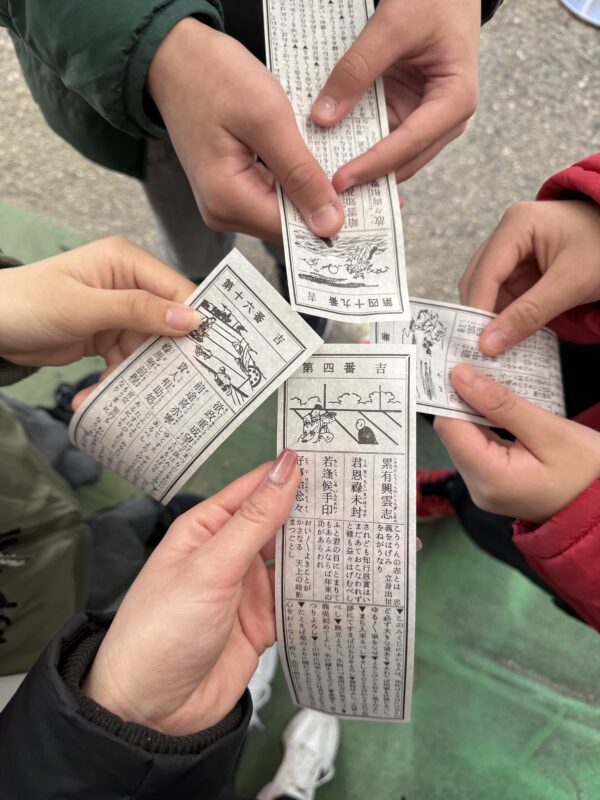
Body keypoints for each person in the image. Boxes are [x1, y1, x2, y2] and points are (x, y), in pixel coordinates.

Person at [0, 238, 341, 798]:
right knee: (74, 594)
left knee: (81, 512)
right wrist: (128, 720)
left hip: (27, 510)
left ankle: (99, 483)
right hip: (21, 644)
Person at [1, 0, 504, 278]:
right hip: (161, 98)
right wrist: (158, 46)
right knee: (195, 230)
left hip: (347, 72)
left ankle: (299, 291)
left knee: (310, 231)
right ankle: (202, 283)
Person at [419, 153, 600, 631]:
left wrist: (586, 514)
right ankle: (448, 440)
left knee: (492, 512)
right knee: (505, 381)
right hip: (589, 361)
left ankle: (455, 494)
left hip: (576, 527)